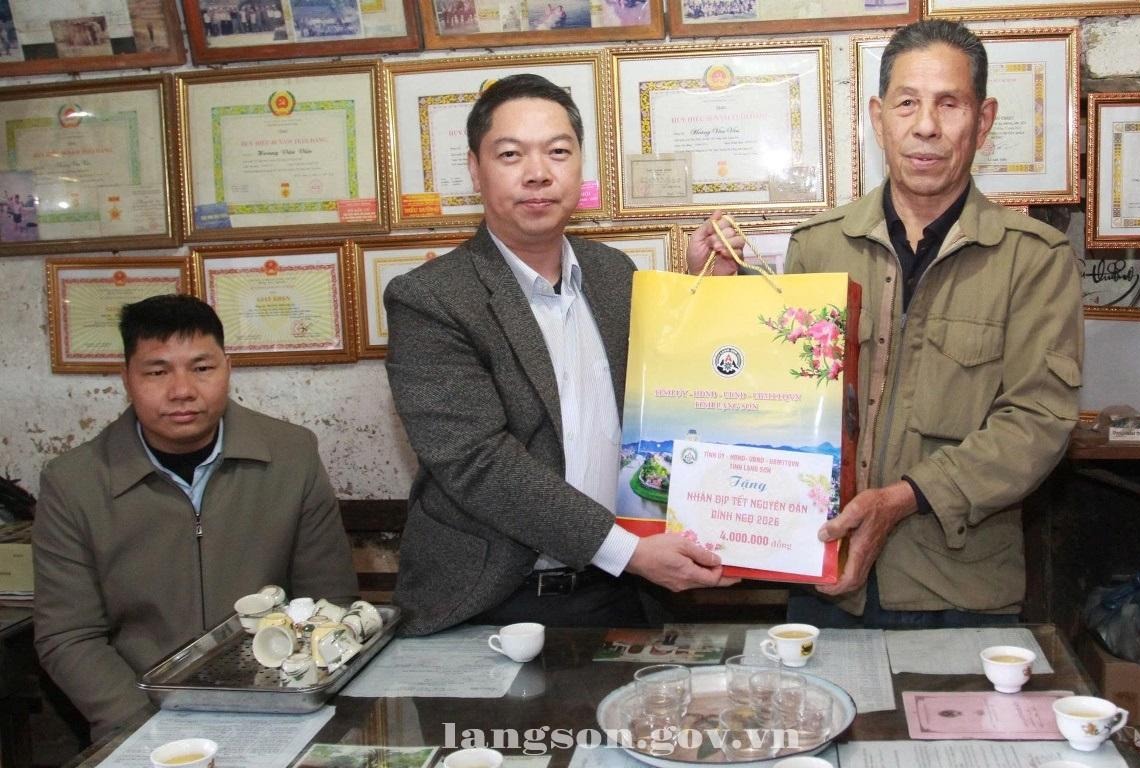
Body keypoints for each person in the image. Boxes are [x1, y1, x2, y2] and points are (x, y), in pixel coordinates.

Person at [688, 19, 1083, 628]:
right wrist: (718, 301)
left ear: (982, 121)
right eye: (906, 103)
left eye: (949, 104)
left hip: (958, 588)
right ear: (878, 119)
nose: (926, 126)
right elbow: (775, 399)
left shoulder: (1034, 259)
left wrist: (904, 498)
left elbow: (1037, 422)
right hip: (825, 572)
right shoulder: (818, 246)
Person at [385, 74, 735, 636]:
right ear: (475, 169)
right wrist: (627, 550)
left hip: (619, 593)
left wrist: (707, 291)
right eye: (510, 154)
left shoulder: (613, 273)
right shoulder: (430, 299)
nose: (538, 173)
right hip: (492, 602)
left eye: (557, 151)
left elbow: (667, 394)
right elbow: (478, 462)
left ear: (579, 166)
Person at [33, 294, 358, 738]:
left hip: (280, 706)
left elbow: (329, 602)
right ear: (126, 379)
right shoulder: (74, 483)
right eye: (157, 372)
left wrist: (295, 696)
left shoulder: (292, 455)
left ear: (228, 368)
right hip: (140, 719)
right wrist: (148, 728)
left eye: (202, 368)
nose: (182, 390)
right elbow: (69, 637)